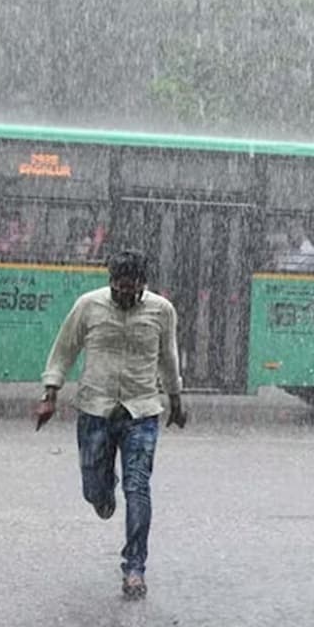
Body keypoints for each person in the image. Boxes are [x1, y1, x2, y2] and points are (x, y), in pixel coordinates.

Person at [34, 249, 188, 599]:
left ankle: (134, 568)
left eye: (132, 290)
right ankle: (103, 492)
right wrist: (50, 393)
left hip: (142, 410)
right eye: (120, 289)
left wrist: (175, 400)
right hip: (95, 409)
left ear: (143, 285)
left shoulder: (162, 311)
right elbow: (64, 350)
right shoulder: (88, 306)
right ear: (110, 283)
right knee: (95, 490)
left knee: (138, 488)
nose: (126, 296)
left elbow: (168, 356)